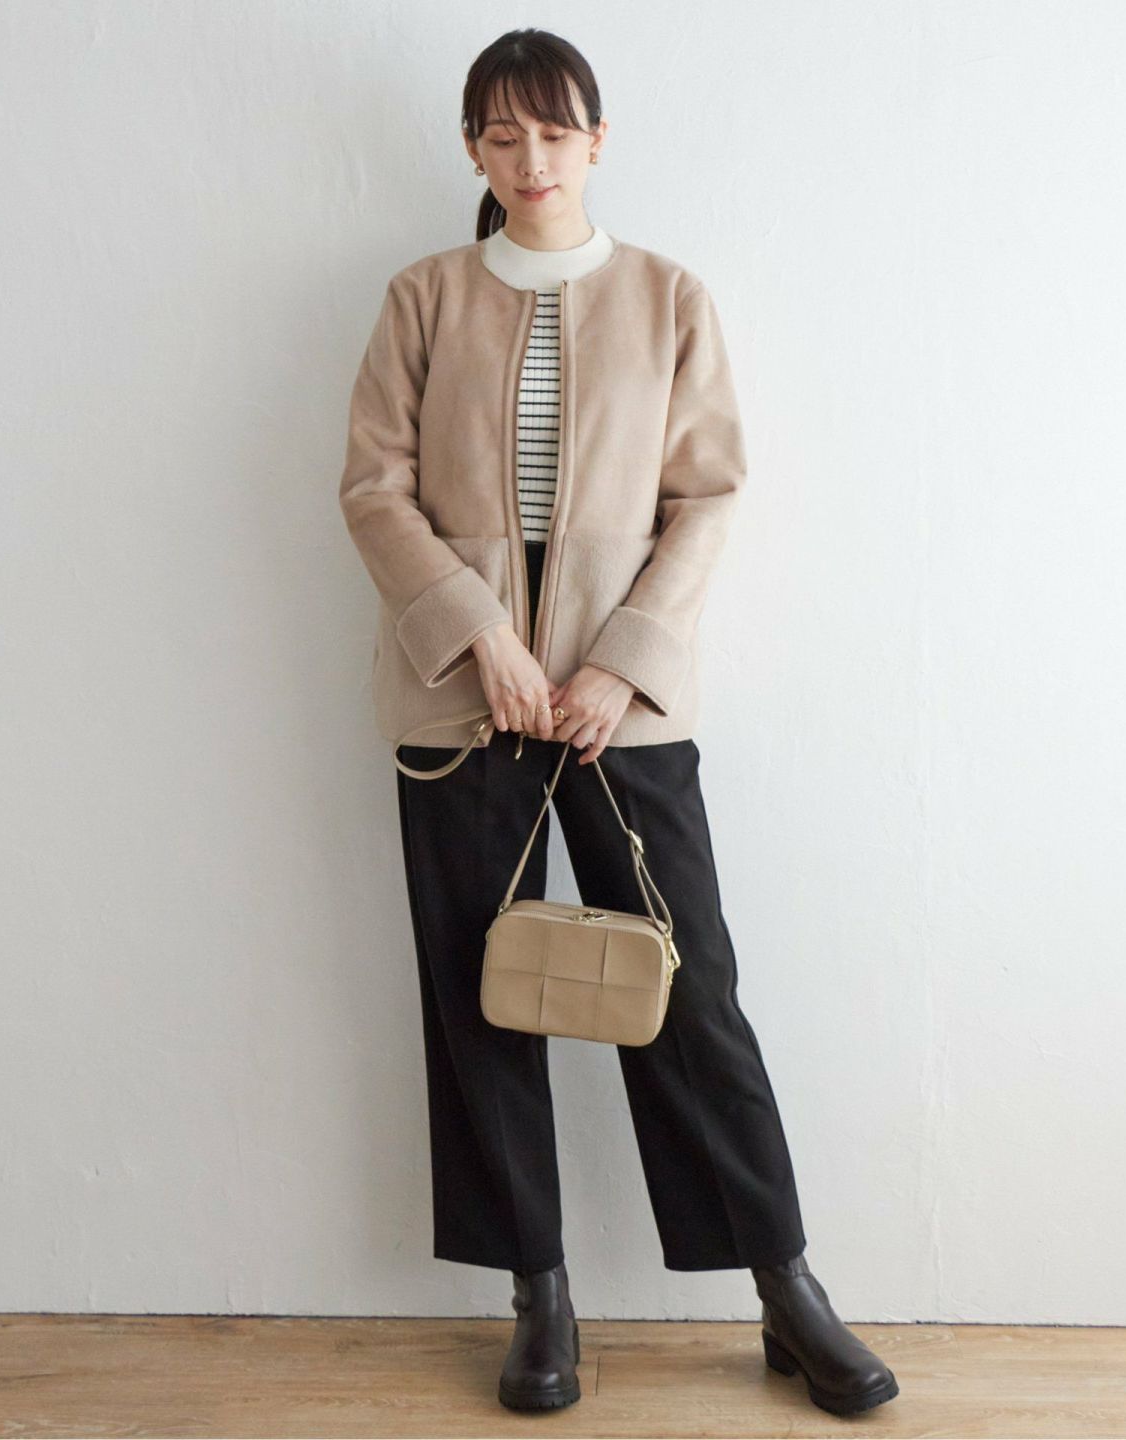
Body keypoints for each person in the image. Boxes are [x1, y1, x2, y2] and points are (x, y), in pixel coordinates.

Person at [338, 27, 899, 1420]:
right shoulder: (423, 297)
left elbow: (706, 497)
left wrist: (620, 665)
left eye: (555, 132)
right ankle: (539, 1293)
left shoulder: (667, 296)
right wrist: (481, 636)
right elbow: (373, 488)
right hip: (463, 704)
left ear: (598, 140)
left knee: (689, 993)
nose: (531, 159)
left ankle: (785, 1287)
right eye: (503, 134)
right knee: (481, 995)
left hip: (619, 715)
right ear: (473, 147)